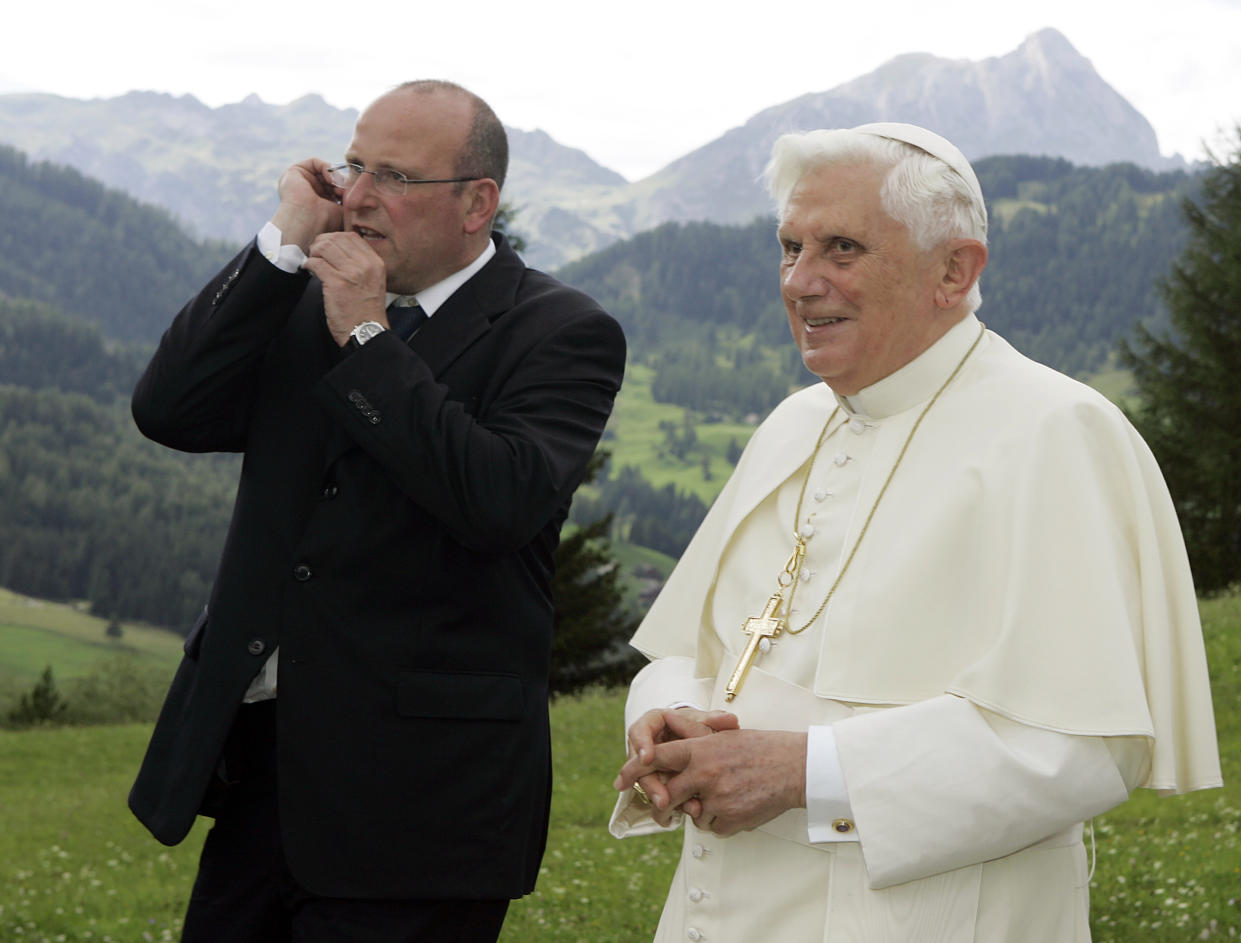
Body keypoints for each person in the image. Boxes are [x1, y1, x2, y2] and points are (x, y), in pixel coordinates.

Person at [609, 123, 1221, 942]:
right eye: (789, 246)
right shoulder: (794, 423)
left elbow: (1088, 745)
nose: (799, 281)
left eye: (841, 248)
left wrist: (802, 771)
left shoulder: (1055, 431)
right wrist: (669, 715)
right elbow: (688, 646)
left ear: (953, 270)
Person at [129, 79, 626, 942]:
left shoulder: (560, 330)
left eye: (392, 176)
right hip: (261, 773)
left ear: (477, 204)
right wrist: (283, 241)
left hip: (421, 805)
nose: (357, 197)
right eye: (353, 165)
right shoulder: (303, 294)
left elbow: (497, 500)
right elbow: (169, 409)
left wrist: (367, 336)